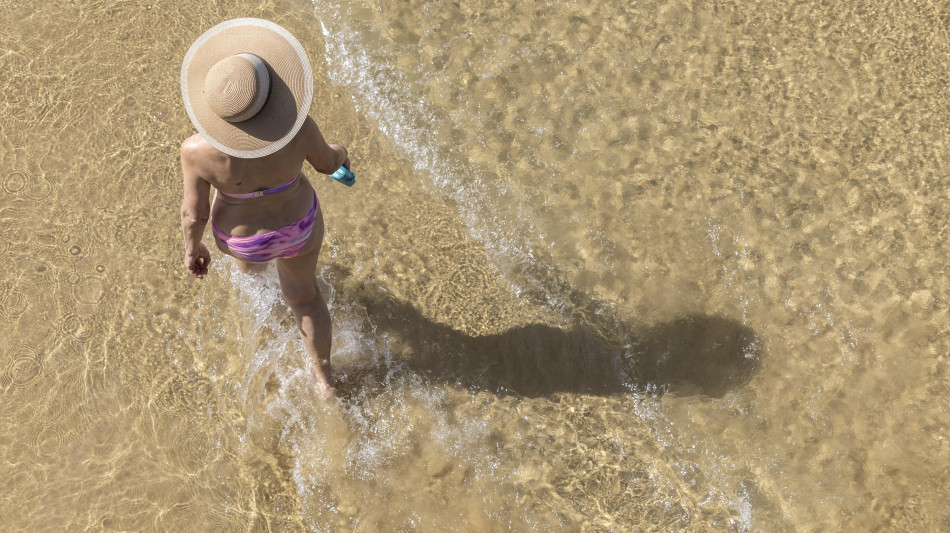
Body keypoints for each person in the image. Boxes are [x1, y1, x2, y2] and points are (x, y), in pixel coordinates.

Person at [178, 18, 350, 395]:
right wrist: (342, 153)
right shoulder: (298, 129)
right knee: (305, 298)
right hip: (298, 226)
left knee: (252, 277)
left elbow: (194, 214)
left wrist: (192, 249)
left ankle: (264, 315)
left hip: (242, 240)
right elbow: (328, 164)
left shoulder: (195, 151)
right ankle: (324, 382)